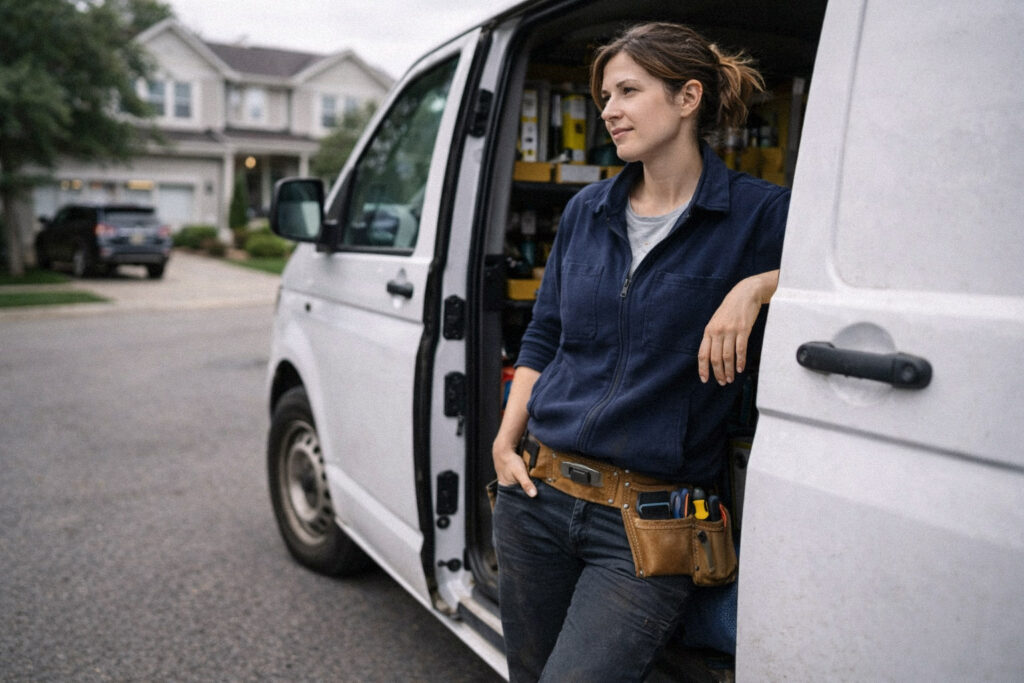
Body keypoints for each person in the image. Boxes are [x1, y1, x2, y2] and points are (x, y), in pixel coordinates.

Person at [491, 22, 790, 682]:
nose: (609, 111)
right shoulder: (587, 211)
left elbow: (856, 269)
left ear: (687, 98)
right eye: (604, 96)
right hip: (537, 496)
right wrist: (505, 443)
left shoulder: (760, 215)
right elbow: (544, 334)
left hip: (650, 527)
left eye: (628, 91)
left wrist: (758, 285)